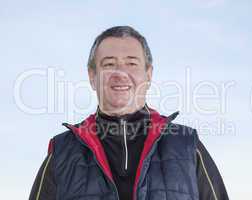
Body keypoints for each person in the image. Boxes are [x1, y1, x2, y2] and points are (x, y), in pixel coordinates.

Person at [29, 26, 229, 200]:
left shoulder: (187, 145)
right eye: (109, 64)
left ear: (148, 74)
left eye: (131, 63)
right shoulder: (62, 151)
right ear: (92, 76)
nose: (120, 73)